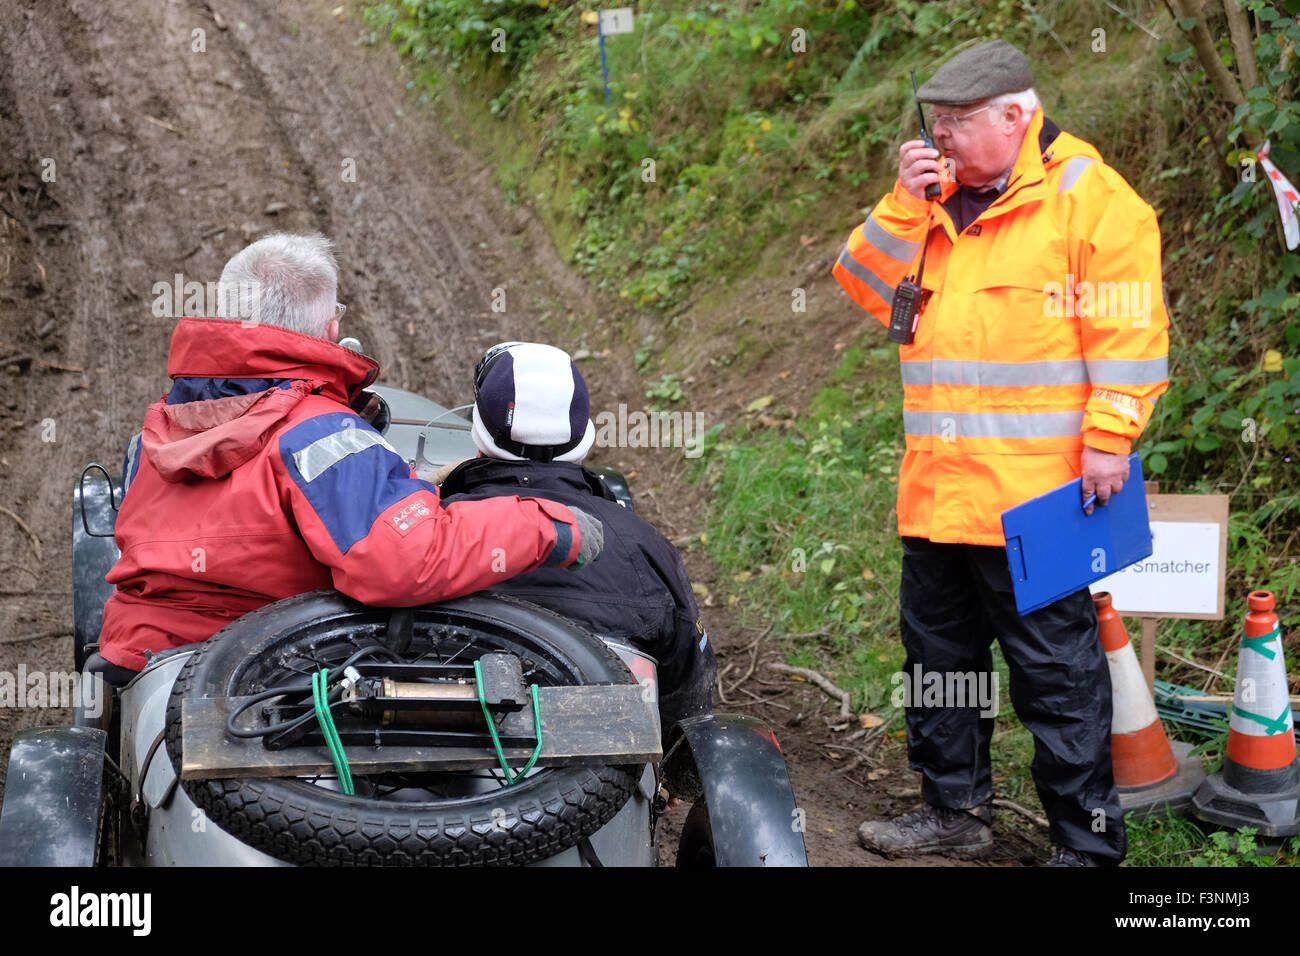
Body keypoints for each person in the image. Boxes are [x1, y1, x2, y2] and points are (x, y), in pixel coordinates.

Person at [832, 40, 1170, 866]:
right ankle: (953, 812)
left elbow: (1130, 338)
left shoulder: (1091, 201)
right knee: (939, 668)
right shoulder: (932, 202)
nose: (940, 139)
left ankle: (1084, 848)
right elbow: (864, 288)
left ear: (1017, 117)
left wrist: (1109, 441)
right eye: (934, 124)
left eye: (957, 124)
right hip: (939, 495)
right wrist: (904, 204)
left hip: (1041, 498)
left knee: (1058, 683)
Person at [95, 234, 603, 682]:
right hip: (262, 666)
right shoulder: (321, 433)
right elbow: (404, 563)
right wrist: (544, 525)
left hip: (139, 655)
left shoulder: (158, 427)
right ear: (332, 327)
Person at [437, 341, 717, 737]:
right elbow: (689, 677)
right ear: (583, 438)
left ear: (481, 437)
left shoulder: (429, 530)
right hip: (607, 774)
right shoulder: (645, 545)